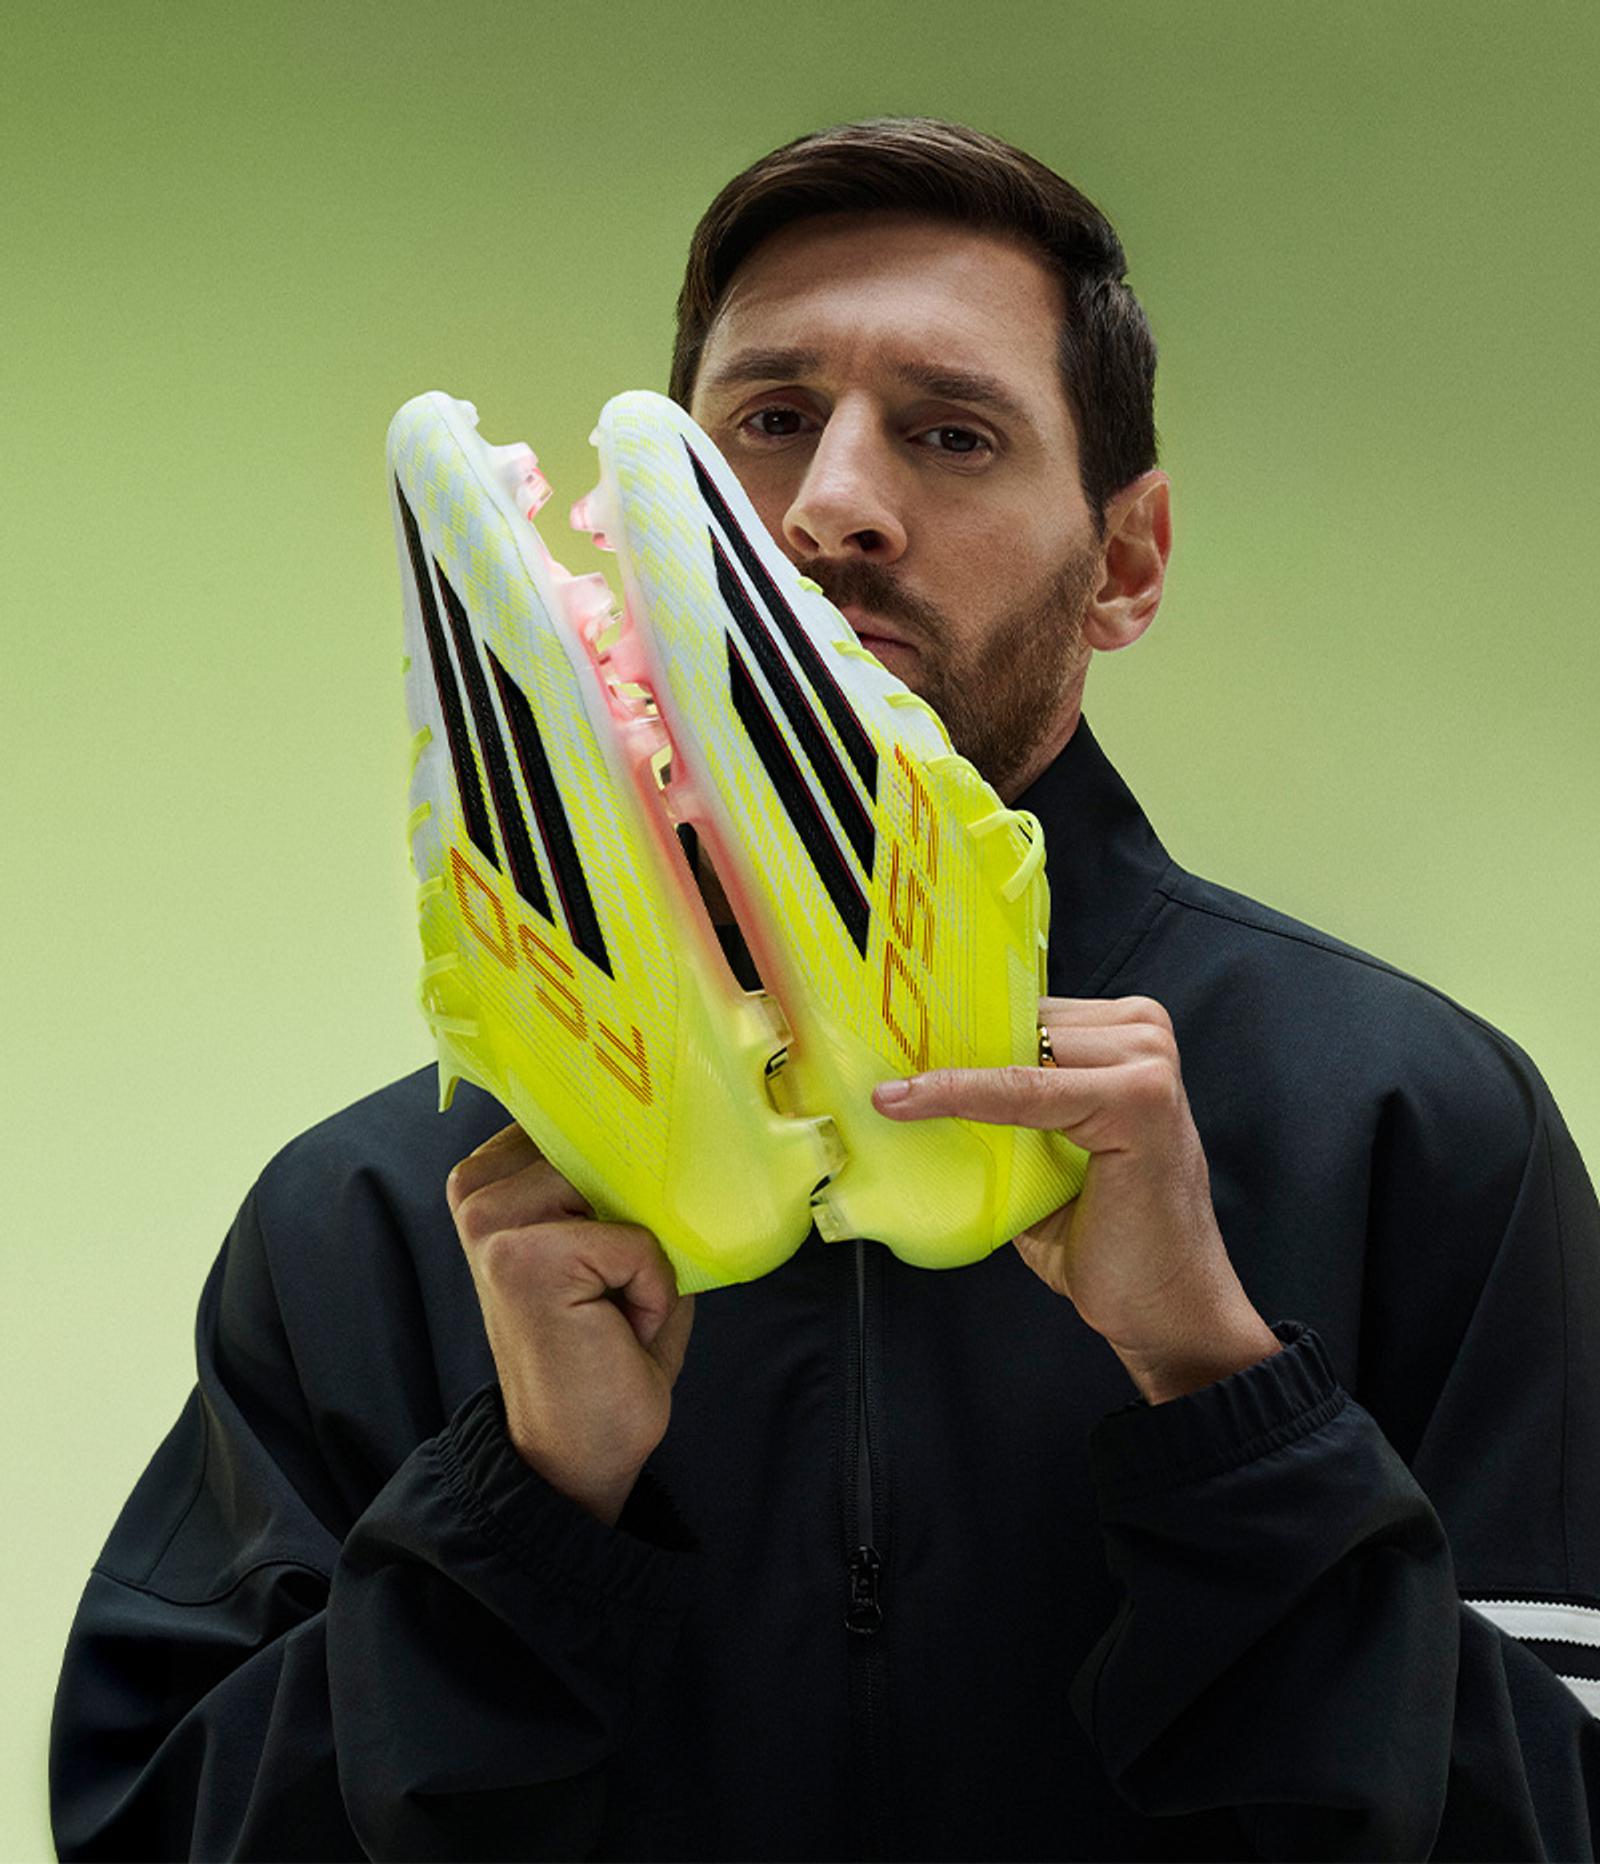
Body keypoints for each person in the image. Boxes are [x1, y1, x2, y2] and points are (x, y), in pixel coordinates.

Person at [51, 117, 1600, 1862]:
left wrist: (1224, 1394)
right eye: (769, 423)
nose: (829, 506)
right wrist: (525, 1508)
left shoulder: (1417, 1129)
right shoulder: (392, 1213)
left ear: (1126, 562)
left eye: (952, 434)